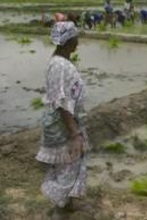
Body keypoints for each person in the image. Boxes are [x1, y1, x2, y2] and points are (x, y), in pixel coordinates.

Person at [36, 21, 90, 219]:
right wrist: (74, 132)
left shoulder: (61, 61)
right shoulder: (60, 66)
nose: (78, 40)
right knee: (69, 163)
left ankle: (67, 205)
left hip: (68, 122)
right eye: (76, 37)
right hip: (63, 126)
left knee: (71, 163)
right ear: (69, 41)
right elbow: (61, 102)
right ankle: (59, 209)